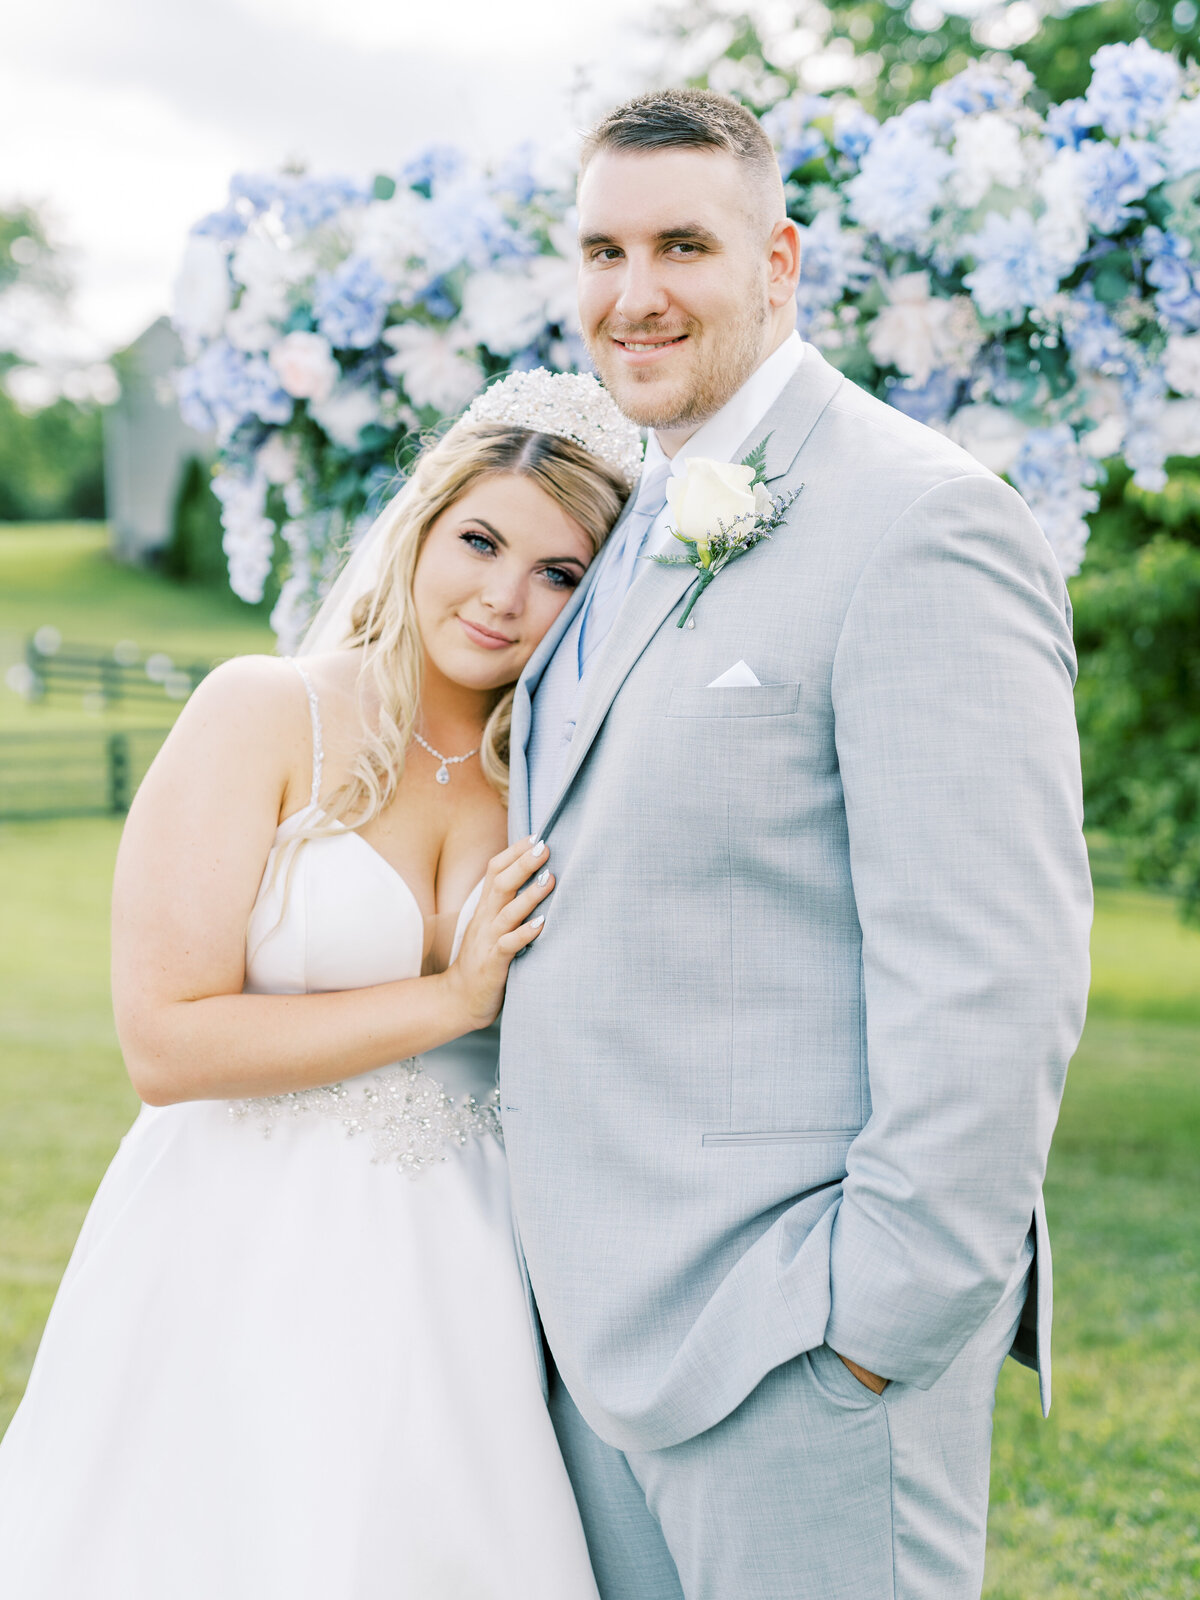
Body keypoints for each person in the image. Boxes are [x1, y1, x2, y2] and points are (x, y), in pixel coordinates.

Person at [499, 89, 1094, 1600]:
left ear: (781, 263)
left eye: (681, 244)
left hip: (795, 1351)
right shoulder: (628, 513)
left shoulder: (922, 523)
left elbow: (995, 971)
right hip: (596, 1341)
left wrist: (875, 1329)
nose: (634, 295)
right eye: (602, 250)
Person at [0, 371, 641, 1600]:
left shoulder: (562, 780)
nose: (505, 597)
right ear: (421, 525)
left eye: (561, 573)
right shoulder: (264, 712)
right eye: (483, 540)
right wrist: (451, 1001)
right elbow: (165, 1042)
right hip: (239, 1242)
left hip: (473, 1264)